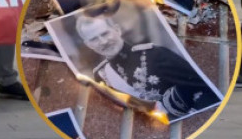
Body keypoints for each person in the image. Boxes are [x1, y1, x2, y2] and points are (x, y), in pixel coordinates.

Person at [76, 14, 220, 119]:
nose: (103, 42)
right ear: (88, 45)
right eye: (94, 39)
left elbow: (208, 88)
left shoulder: (155, 55)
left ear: (117, 30)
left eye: (105, 33)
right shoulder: (101, 75)